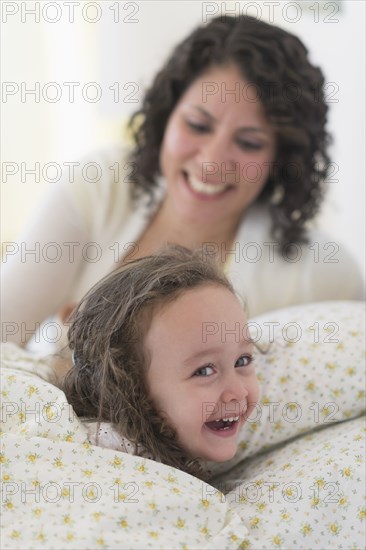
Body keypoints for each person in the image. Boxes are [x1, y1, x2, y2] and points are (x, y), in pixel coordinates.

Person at [2, 14, 363, 348]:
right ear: (166, 116)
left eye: (249, 142)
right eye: (197, 125)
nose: (211, 161)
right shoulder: (99, 185)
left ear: (281, 159)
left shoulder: (320, 272)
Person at [61, 245, 260, 479]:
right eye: (204, 370)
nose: (237, 392)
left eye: (242, 360)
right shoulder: (119, 465)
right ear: (129, 387)